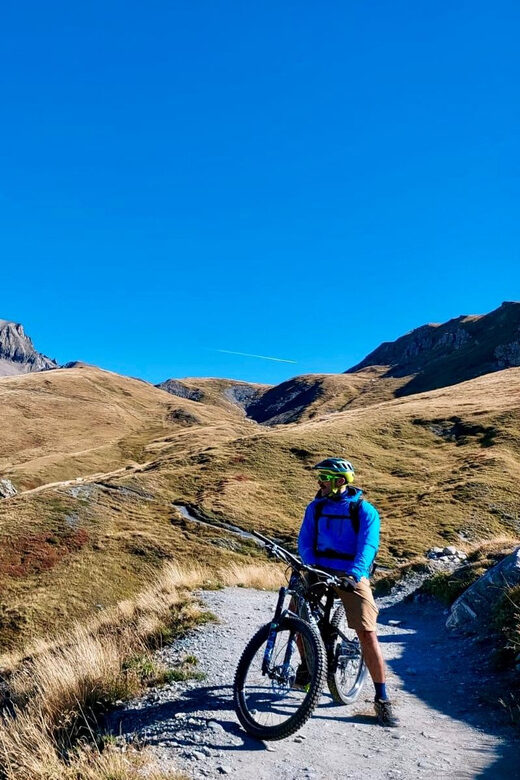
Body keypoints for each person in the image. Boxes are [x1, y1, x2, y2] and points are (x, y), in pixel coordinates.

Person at [297, 457, 399, 727]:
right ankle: (308, 667)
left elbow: (368, 547)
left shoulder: (364, 511)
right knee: (296, 618)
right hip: (317, 569)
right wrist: (308, 563)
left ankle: (382, 699)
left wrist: (354, 575)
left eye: (324, 478)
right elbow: (304, 539)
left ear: (339, 481)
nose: (319, 483)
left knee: (366, 632)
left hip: (350, 575)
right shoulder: (315, 507)